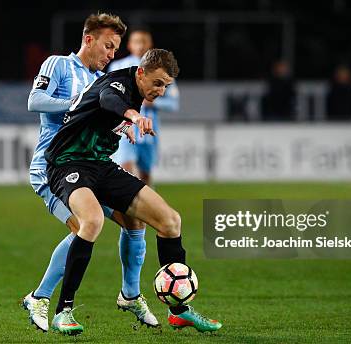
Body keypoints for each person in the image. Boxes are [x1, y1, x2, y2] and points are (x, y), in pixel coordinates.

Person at [45, 49, 222, 335]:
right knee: (92, 222)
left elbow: (99, 111)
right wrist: (132, 116)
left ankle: (178, 310)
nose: (161, 91)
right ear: (141, 72)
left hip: (101, 165)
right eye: (158, 83)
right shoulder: (118, 83)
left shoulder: (138, 89)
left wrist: (124, 123)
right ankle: (63, 311)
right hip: (67, 163)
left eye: (166, 86)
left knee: (170, 221)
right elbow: (107, 98)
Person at [21, 13, 159, 332]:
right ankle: (39, 297)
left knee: (134, 220)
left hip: (88, 166)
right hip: (52, 167)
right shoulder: (58, 65)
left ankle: (131, 294)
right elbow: (34, 100)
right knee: (85, 227)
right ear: (88, 40)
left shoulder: (102, 79)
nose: (112, 55)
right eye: (108, 47)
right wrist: (80, 102)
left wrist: (122, 124)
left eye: (115, 49)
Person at [108, 29, 179, 185]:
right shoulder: (117, 66)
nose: (140, 46)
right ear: (129, 45)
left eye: (143, 42)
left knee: (145, 175)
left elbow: (173, 104)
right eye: (136, 42)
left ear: (150, 44)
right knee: (125, 170)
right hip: (125, 126)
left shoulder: (164, 69)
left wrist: (153, 102)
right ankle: (126, 207)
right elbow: (109, 97)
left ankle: (143, 207)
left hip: (149, 130)